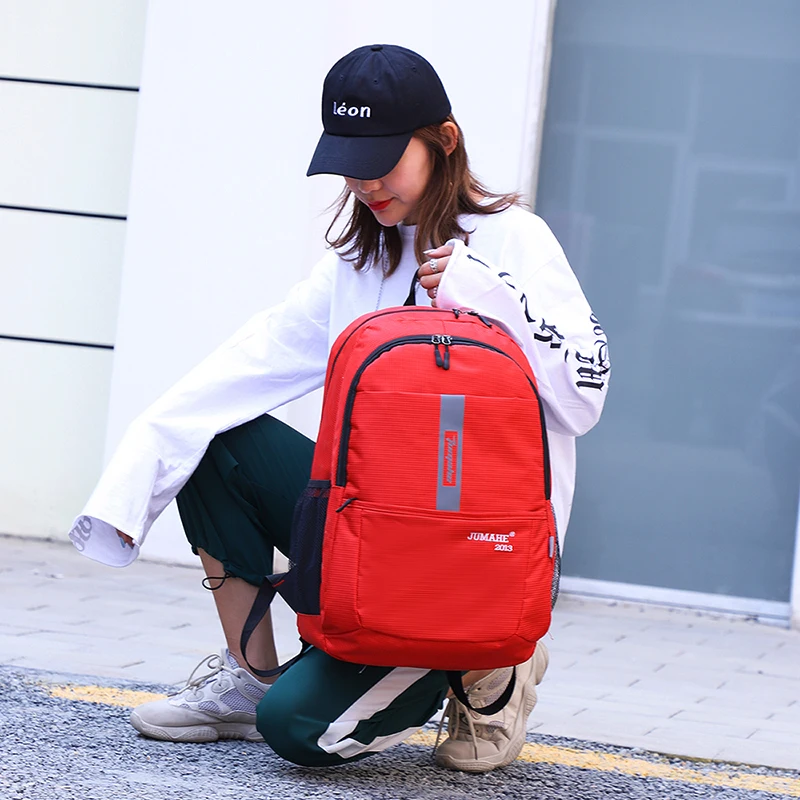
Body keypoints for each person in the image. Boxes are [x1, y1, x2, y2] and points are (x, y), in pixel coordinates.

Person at [68, 43, 609, 772]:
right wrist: (140, 464)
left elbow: (584, 399)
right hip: (376, 538)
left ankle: (495, 668)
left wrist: (489, 296)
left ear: (444, 141)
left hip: (475, 559)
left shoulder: (516, 241)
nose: (364, 181)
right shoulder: (360, 259)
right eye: (350, 162)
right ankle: (250, 677)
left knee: (296, 731)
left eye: (381, 158)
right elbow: (246, 365)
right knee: (213, 436)